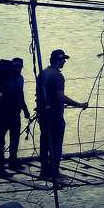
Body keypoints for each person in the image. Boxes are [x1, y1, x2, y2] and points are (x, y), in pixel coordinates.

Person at [36, 49, 88, 180]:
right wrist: (79, 104)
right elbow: (60, 97)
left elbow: (43, 95)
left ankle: (44, 172)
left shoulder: (43, 73)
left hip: (42, 115)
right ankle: (55, 172)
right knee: (56, 145)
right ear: (58, 60)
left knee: (45, 143)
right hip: (54, 116)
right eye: (63, 59)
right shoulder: (58, 76)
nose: (64, 61)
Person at [3, 57, 30, 170]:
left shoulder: (20, 78)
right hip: (4, 112)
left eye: (19, 66)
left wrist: (25, 109)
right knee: (0, 139)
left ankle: (12, 160)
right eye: (15, 66)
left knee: (15, 138)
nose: (17, 69)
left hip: (15, 113)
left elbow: (21, 95)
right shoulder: (5, 78)